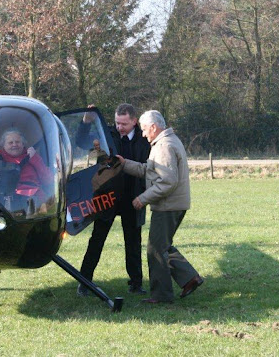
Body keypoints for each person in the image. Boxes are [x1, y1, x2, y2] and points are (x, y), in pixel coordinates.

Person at [116, 110, 203, 304]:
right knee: (163, 246)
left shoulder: (164, 146)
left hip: (167, 205)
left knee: (155, 250)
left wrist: (143, 198)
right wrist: (124, 164)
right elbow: (148, 171)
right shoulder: (166, 141)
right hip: (173, 204)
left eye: (145, 130)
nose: (144, 134)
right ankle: (190, 278)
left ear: (154, 127)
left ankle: (161, 296)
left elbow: (167, 182)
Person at [77, 103, 151, 296]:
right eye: (117, 123)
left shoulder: (145, 140)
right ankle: (84, 282)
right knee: (97, 240)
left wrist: (144, 194)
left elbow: (149, 168)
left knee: (133, 241)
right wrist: (86, 121)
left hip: (133, 197)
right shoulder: (105, 134)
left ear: (135, 121)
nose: (119, 127)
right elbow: (81, 142)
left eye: (124, 124)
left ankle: (136, 283)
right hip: (106, 196)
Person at [0, 128, 53, 209]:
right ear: (3, 146)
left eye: (17, 142)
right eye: (10, 143)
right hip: (6, 201)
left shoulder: (32, 156)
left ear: (23, 144)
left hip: (33, 201)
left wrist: (35, 158)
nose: (14, 145)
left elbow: (49, 180)